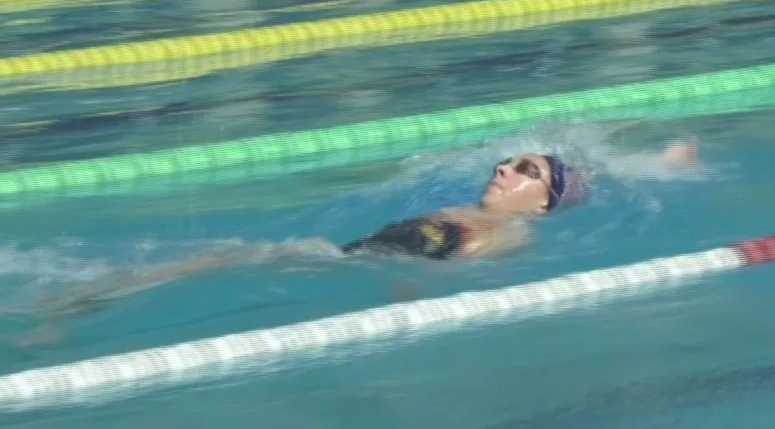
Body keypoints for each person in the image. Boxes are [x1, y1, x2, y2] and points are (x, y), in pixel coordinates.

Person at [27, 140, 700, 325]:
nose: (501, 169)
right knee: (210, 261)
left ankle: (81, 298)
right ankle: (86, 296)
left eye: (522, 169)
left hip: (366, 261)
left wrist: (406, 290)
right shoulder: (494, 218)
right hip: (361, 255)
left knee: (211, 261)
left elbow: (450, 275)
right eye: (504, 161)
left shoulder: (507, 234)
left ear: (546, 201)